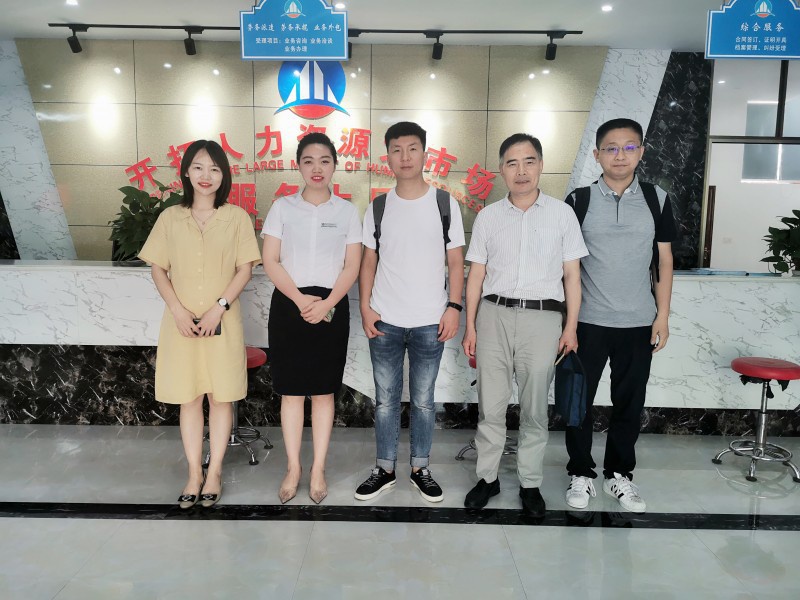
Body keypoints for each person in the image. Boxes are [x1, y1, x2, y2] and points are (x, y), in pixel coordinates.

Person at [462, 133, 587, 517]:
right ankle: (487, 478)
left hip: (543, 319)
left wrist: (571, 327)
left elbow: (572, 276)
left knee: (534, 409)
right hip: (494, 315)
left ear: (541, 166)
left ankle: (530, 483)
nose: (521, 171)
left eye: (529, 161)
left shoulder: (561, 215)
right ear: (501, 170)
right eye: (512, 163)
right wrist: (470, 326)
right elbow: (476, 275)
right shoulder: (488, 216)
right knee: (491, 406)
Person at [139, 139, 261, 509]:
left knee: (219, 396)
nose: (206, 175)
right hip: (180, 324)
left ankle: (215, 471)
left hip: (221, 321)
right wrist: (177, 310)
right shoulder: (170, 218)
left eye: (214, 169)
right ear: (186, 172)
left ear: (224, 175)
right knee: (189, 397)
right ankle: (194, 473)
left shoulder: (236, 217)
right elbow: (158, 268)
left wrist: (218, 308)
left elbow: (245, 269)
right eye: (198, 167)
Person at [563, 118, 676, 513]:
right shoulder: (578, 200)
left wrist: (662, 315)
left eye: (629, 147)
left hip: (638, 322)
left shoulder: (656, 198)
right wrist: (568, 323)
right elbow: (567, 266)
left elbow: (664, 260)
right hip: (588, 322)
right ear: (597, 155)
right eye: (611, 148)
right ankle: (580, 472)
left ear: (641, 152)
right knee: (577, 402)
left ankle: (619, 475)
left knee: (629, 402)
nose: (620, 155)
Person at [354, 121, 465, 503]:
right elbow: (369, 261)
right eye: (397, 150)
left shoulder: (444, 204)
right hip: (384, 320)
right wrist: (365, 307)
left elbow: (456, 262)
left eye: (412, 148)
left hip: (430, 321)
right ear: (387, 156)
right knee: (385, 401)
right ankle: (384, 469)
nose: (405, 157)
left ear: (425, 154)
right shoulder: (379, 206)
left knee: (423, 401)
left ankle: (420, 469)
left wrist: (453, 308)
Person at [261, 132, 362, 505]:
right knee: (290, 392)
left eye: (324, 160)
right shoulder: (282, 208)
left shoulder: (347, 212)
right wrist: (301, 299)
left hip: (331, 305)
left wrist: (327, 303)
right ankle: (293, 467)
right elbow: (271, 260)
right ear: (298, 165)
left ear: (335, 165)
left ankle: (318, 468)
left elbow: (352, 265)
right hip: (290, 303)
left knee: (322, 392)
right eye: (308, 161)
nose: (316, 168)